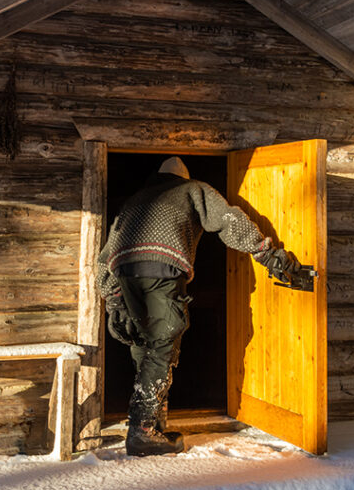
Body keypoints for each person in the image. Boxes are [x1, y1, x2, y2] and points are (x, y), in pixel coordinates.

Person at [97, 156, 302, 457]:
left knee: (144, 344)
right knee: (164, 343)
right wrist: (267, 254)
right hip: (161, 271)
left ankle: (151, 420)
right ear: (183, 177)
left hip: (126, 273)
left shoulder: (135, 200)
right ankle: (142, 433)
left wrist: (113, 300)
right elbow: (228, 219)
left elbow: (105, 256)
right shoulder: (193, 189)